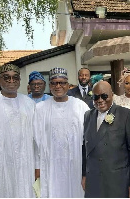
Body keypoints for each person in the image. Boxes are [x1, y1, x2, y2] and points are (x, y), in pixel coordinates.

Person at [34, 67, 89, 198]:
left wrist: (87, 171)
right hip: (50, 166)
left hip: (75, 166)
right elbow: (36, 141)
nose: (58, 86)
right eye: (54, 83)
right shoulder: (40, 109)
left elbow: (88, 140)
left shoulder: (81, 106)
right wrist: (37, 167)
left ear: (68, 85)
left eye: (62, 82)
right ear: (50, 86)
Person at [82, 81, 130, 198]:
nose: (100, 100)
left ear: (112, 95)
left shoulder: (126, 115)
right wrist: (84, 175)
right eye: (96, 97)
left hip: (117, 181)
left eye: (104, 96)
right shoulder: (88, 115)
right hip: (93, 180)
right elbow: (85, 149)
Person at [0, 64, 36, 197]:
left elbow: (35, 140)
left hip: (25, 164)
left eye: (15, 78)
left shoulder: (29, 104)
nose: (11, 81)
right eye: (6, 77)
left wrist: (37, 167)